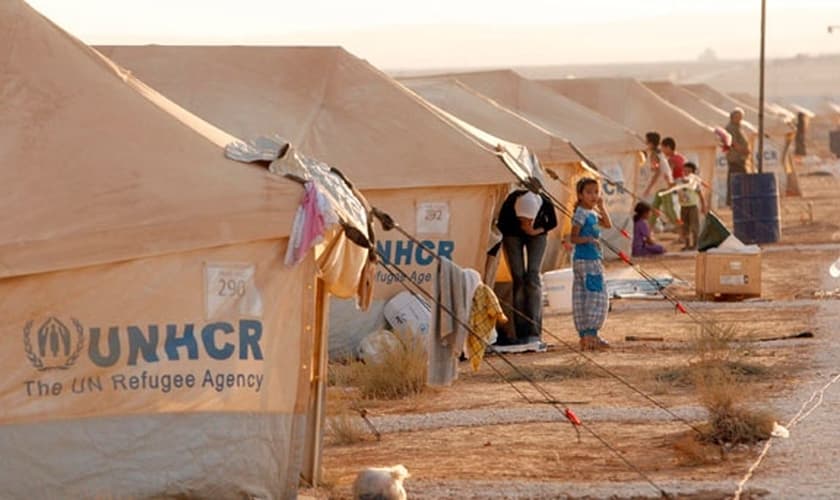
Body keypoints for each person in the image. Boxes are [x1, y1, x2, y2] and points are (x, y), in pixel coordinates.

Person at [497, 178, 557, 346]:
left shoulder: (543, 201)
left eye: (529, 219)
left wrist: (536, 229)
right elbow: (501, 226)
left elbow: (552, 222)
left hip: (538, 235)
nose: (526, 224)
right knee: (518, 277)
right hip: (512, 236)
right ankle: (519, 327)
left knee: (533, 276)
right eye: (522, 220)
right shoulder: (510, 206)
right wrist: (522, 229)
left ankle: (534, 328)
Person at [570, 178, 612, 351]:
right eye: (589, 192)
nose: (593, 195)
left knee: (582, 296)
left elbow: (608, 224)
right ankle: (591, 335)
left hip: (586, 259)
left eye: (596, 192)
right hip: (588, 259)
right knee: (596, 296)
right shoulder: (581, 213)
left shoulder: (591, 212)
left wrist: (601, 206)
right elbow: (573, 238)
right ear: (580, 195)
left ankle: (586, 336)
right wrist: (588, 239)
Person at [641, 132, 677, 231]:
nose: (645, 143)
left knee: (669, 211)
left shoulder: (654, 155)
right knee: (654, 209)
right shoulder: (659, 153)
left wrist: (649, 187)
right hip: (663, 185)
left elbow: (657, 172)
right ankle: (648, 232)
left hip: (663, 186)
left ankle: (683, 231)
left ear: (651, 143)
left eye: (647, 141)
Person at [676, 162, 706, 251]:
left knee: (694, 226)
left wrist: (703, 206)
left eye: (688, 172)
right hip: (683, 207)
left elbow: (700, 194)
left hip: (693, 206)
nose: (686, 173)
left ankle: (696, 244)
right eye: (684, 171)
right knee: (684, 226)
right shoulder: (679, 181)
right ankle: (687, 244)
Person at [725, 108, 751, 206]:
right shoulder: (730, 128)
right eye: (737, 117)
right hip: (735, 158)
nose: (739, 119)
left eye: (740, 117)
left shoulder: (738, 127)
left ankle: (738, 201)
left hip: (741, 158)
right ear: (732, 117)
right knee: (736, 181)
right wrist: (744, 150)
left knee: (740, 180)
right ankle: (734, 202)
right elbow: (733, 143)